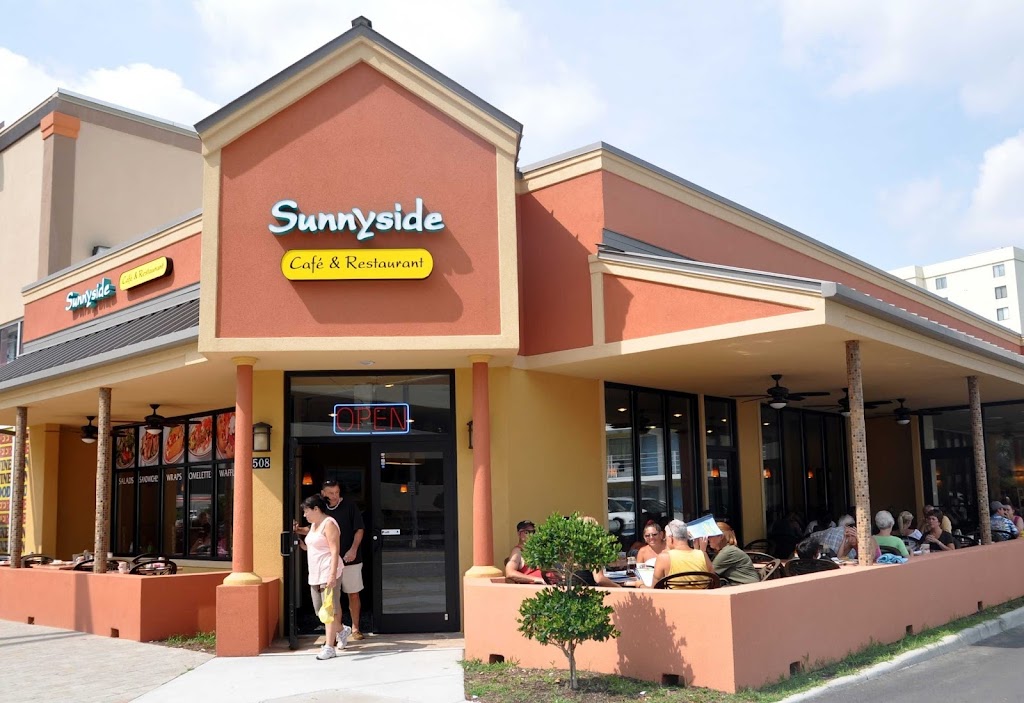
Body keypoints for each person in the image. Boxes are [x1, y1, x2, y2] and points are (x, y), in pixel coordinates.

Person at [295, 480, 366, 640]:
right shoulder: (320, 509)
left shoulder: (349, 506)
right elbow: (313, 530)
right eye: (331, 493)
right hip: (327, 564)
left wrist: (353, 550)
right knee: (332, 603)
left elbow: (359, 529)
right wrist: (297, 530)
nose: (334, 496)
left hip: (349, 559)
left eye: (337, 492)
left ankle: (355, 628)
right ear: (323, 493)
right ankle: (337, 633)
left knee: (352, 594)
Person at [297, 494, 348, 660]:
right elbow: (313, 546)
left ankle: (329, 647)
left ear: (316, 509)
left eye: (306, 511)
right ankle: (342, 630)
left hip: (328, 571)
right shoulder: (314, 525)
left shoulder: (329, 524)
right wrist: (301, 542)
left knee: (328, 610)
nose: (304, 515)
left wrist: (332, 575)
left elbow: (334, 550)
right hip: (315, 572)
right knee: (319, 610)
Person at [652, 519, 713, 588]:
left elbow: (654, 588)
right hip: (701, 595)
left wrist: (641, 584)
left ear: (671, 538)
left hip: (675, 595)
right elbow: (713, 582)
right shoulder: (703, 555)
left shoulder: (664, 558)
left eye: (665, 538)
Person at [695, 522, 758, 586]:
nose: (708, 539)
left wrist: (703, 551)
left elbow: (709, 574)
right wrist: (697, 549)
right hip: (740, 585)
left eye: (710, 536)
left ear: (721, 537)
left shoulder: (728, 552)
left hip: (747, 586)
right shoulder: (725, 550)